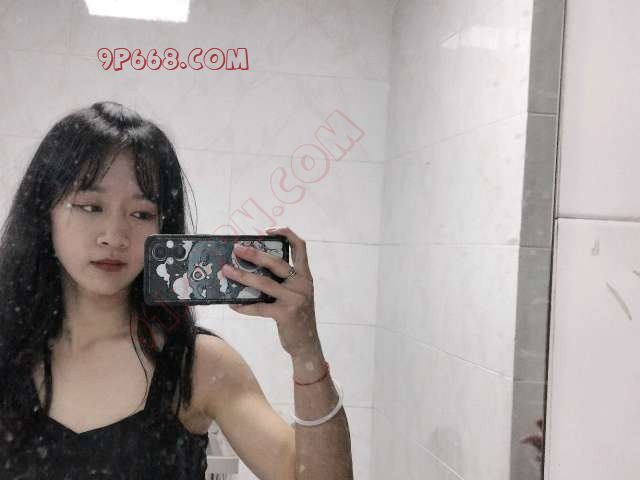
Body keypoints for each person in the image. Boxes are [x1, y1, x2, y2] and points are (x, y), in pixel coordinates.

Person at [0, 101, 353, 479]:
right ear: (45, 213)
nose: (114, 236)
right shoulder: (8, 350)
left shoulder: (199, 364)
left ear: (163, 227)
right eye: (90, 206)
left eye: (141, 214)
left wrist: (305, 350)